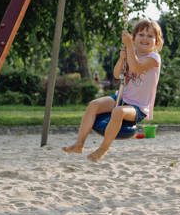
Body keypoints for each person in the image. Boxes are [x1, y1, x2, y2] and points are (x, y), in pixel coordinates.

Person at [62, 19, 163, 162]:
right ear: (134, 38)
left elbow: (136, 68)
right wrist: (122, 59)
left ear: (157, 42)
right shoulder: (130, 53)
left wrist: (128, 47)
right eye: (141, 34)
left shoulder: (154, 58)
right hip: (121, 98)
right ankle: (79, 144)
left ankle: (102, 149)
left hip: (139, 108)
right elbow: (117, 74)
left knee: (118, 111)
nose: (145, 38)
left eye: (150, 36)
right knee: (93, 104)